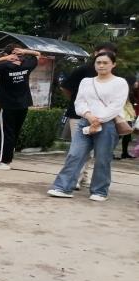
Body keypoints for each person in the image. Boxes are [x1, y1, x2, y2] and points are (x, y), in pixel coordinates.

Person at [48, 51, 129, 201]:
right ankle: (62, 187)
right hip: (85, 122)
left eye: (105, 62)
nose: (101, 65)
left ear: (113, 64)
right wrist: (89, 116)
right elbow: (79, 102)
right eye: (98, 62)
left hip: (108, 125)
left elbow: (116, 106)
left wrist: (99, 119)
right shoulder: (86, 81)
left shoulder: (120, 83)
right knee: (75, 154)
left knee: (102, 158)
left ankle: (99, 191)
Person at [60, 43, 118, 186]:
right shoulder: (83, 70)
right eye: (101, 55)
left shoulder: (114, 77)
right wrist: (77, 102)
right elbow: (66, 87)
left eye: (109, 55)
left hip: (101, 119)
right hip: (79, 116)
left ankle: (83, 176)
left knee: (92, 152)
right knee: (78, 150)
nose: (102, 62)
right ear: (95, 54)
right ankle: (74, 179)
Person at [0, 45, 41, 170]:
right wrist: (25, 51)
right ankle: (8, 156)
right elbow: (37, 54)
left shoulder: (3, 67)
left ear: (7, 54)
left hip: (8, 105)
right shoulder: (27, 64)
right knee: (14, 133)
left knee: (7, 133)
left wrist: (5, 58)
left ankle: (3, 161)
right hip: (24, 104)